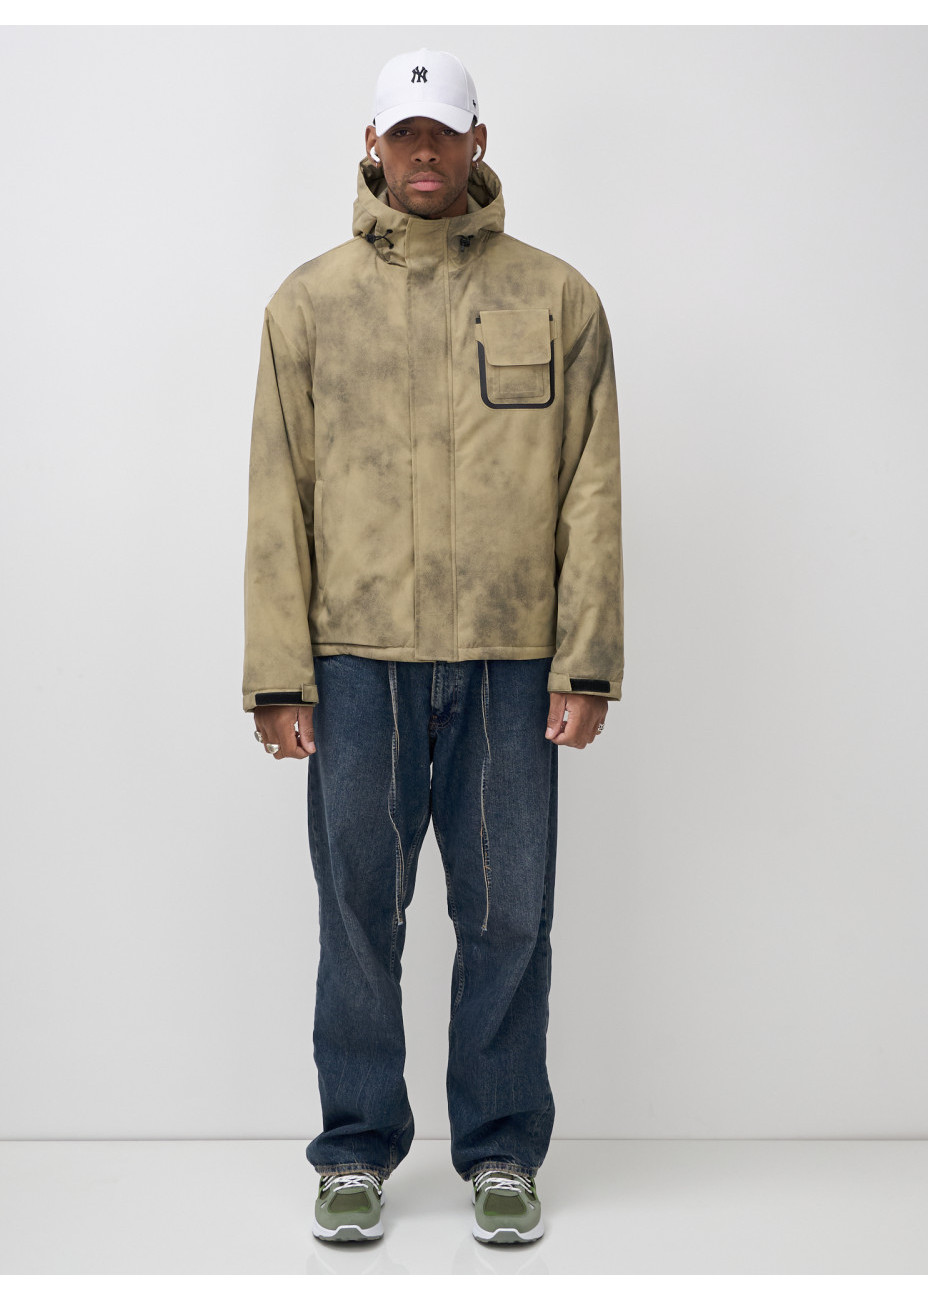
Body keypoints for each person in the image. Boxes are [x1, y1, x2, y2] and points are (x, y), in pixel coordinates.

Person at [243, 46, 623, 1245]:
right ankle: (355, 1151)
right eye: (402, 132)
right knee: (360, 913)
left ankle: (501, 1149)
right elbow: (278, 497)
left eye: (441, 132)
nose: (422, 151)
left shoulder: (556, 298)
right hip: (355, 664)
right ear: (372, 143)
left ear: (475, 141)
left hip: (512, 665)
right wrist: (278, 675)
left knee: (509, 915)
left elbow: (590, 492)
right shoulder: (309, 304)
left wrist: (585, 661)